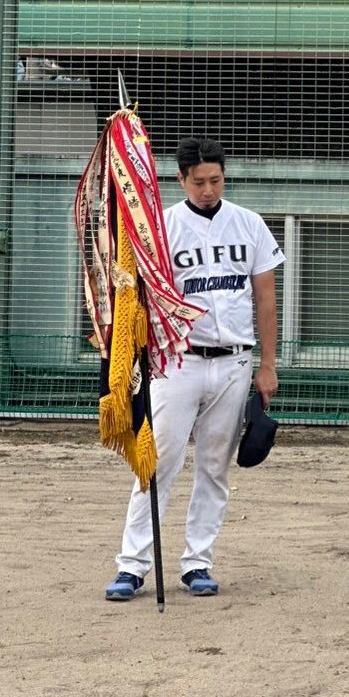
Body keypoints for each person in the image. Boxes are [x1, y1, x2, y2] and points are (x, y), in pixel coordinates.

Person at [105, 137, 284, 600]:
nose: (208, 190)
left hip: (234, 360)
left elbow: (265, 297)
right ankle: (132, 565)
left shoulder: (249, 223)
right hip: (177, 359)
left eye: (216, 180)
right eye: (199, 181)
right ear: (181, 179)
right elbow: (136, 294)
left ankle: (197, 562)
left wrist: (268, 364)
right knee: (158, 460)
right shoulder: (161, 229)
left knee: (214, 465)